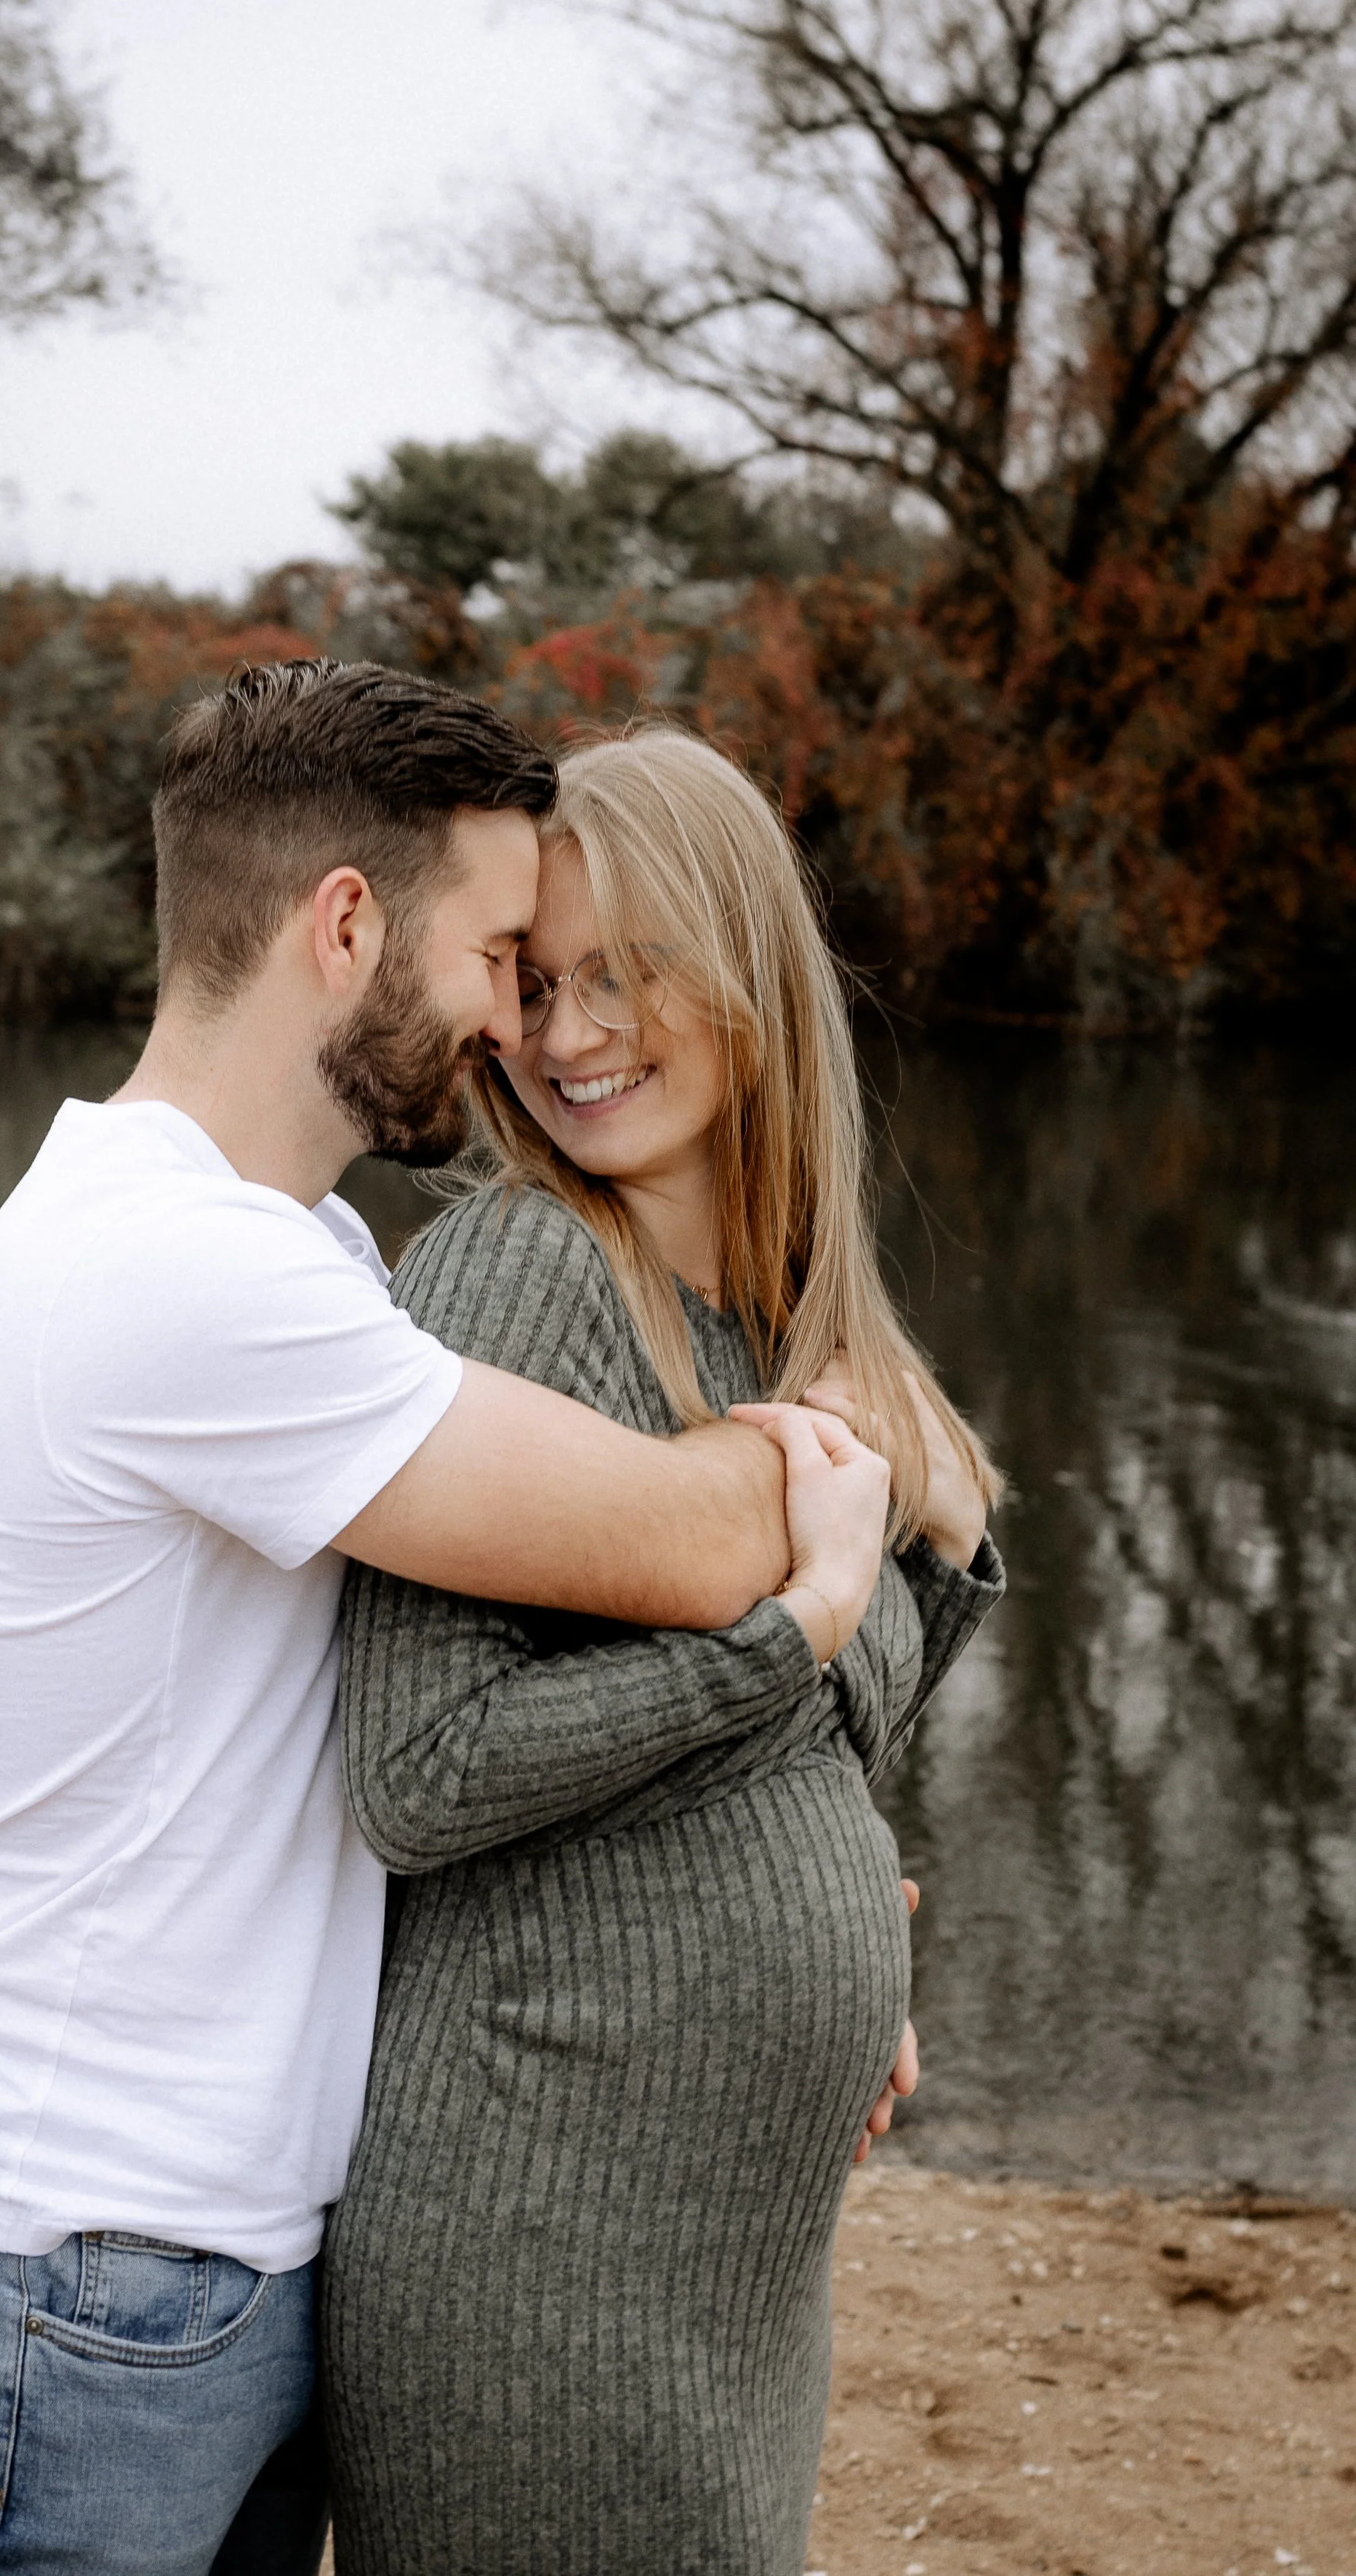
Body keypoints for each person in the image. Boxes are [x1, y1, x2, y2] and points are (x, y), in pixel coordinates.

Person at [0, 662, 878, 2576]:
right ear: (345, 925)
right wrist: (824, 1505)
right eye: (498, 954)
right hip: (67, 2263)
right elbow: (694, 1536)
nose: (511, 1025)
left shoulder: (287, 1252)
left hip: (201, 2264)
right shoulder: (172, 1276)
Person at [321, 725, 1006, 2576]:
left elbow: (812, 1746)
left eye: (623, 972)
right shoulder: (517, 1273)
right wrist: (789, 1634)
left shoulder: (781, 1326)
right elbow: (420, 1774)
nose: (564, 1035)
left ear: (752, 974)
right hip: (541, 2247)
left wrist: (849, 1941)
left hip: (723, 2263)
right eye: (532, 984)